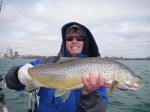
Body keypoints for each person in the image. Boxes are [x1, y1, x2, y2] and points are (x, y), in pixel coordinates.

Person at [5, 22, 108, 112]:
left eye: (80, 37)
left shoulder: (96, 74)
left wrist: (89, 95)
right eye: (69, 38)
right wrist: (17, 74)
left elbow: (99, 110)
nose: (74, 41)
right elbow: (10, 82)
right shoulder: (46, 62)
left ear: (86, 42)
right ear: (65, 41)